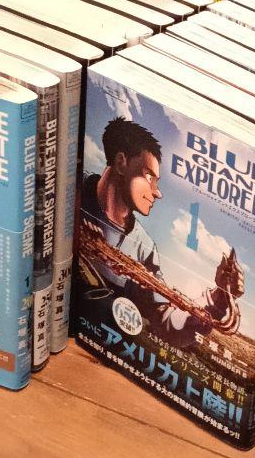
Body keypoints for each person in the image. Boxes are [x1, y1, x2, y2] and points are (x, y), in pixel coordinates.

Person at [80, 117, 243, 351]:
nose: (157, 193)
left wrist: (220, 297)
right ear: (121, 162)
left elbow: (165, 322)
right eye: (149, 177)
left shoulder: (143, 247)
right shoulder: (71, 186)